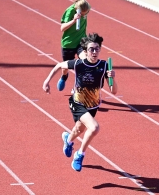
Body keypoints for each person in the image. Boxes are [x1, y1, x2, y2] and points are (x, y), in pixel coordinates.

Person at [43, 33, 118, 172]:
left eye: (97, 48)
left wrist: (113, 77)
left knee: (79, 129)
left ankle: (68, 139)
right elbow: (59, 65)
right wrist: (47, 81)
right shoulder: (78, 64)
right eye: (91, 49)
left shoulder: (104, 65)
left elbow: (114, 91)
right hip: (77, 103)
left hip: (93, 105)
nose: (94, 52)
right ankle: (79, 154)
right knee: (94, 128)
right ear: (85, 51)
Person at [57, 0, 91, 92]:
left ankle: (77, 86)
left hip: (81, 41)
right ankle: (64, 77)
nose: (85, 14)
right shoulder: (70, 11)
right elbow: (62, 28)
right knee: (65, 67)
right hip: (69, 43)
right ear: (77, 10)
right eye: (83, 13)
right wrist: (74, 20)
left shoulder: (86, 7)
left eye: (86, 13)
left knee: (85, 62)